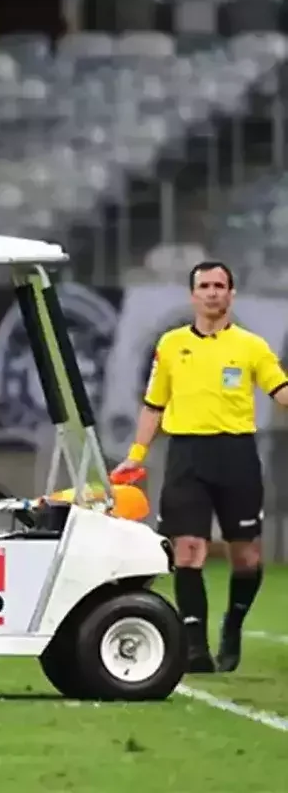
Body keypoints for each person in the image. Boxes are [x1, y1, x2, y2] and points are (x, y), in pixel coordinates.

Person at [112, 261, 288, 674]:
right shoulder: (171, 345)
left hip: (237, 455)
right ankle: (195, 647)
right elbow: (154, 404)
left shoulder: (251, 346)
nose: (212, 292)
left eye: (220, 285)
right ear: (193, 295)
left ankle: (233, 625)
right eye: (204, 285)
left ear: (231, 294)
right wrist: (136, 455)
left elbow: (280, 390)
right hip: (187, 455)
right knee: (188, 551)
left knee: (246, 556)